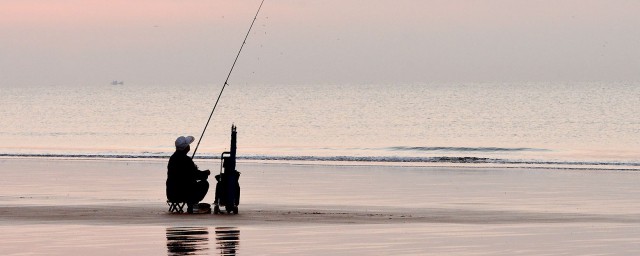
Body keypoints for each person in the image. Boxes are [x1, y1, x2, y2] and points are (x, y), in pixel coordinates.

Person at [166, 135, 210, 213]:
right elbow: (195, 175)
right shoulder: (187, 160)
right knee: (204, 184)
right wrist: (205, 173)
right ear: (186, 148)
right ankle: (192, 204)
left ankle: (192, 204)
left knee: (189, 182)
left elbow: (190, 174)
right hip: (184, 193)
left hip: (171, 193)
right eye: (188, 145)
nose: (189, 146)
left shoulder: (172, 158)